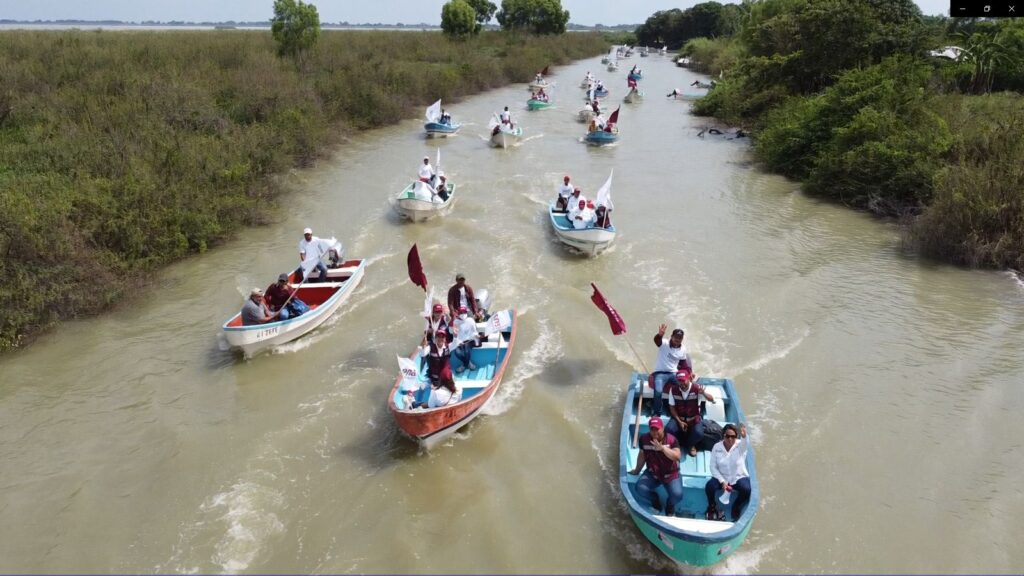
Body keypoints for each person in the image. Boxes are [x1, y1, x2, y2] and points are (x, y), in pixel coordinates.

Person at [628, 416, 684, 516]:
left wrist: (663, 449)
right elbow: (642, 456)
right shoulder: (644, 439)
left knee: (677, 495)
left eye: (657, 429)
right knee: (640, 488)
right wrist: (637, 470)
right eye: (652, 429)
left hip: (670, 474)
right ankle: (655, 501)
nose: (654, 432)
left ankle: (669, 506)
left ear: (662, 428)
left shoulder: (672, 440)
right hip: (653, 473)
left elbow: (677, 456)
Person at [704, 423, 751, 522]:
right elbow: (713, 467)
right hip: (722, 477)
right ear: (723, 436)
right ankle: (712, 506)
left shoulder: (740, 445)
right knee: (709, 486)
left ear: (736, 437)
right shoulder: (717, 447)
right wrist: (722, 481)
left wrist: (744, 436)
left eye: (733, 436)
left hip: (738, 477)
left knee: (747, 489)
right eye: (727, 436)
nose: (730, 439)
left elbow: (745, 443)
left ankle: (736, 505)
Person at [665, 370, 716, 457]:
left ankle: (690, 445)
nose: (682, 384)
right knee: (669, 429)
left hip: (693, 419)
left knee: (699, 433)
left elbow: (711, 399)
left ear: (689, 379)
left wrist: (703, 393)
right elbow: (672, 407)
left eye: (683, 381)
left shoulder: (697, 388)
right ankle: (676, 444)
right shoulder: (673, 390)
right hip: (679, 418)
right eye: (679, 381)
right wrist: (679, 421)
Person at [650, 325, 692, 416]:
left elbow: (683, 364)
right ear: (671, 336)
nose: (677, 339)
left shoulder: (683, 349)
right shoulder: (664, 343)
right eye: (676, 337)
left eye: (680, 338)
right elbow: (657, 341)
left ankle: (682, 409)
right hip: (660, 373)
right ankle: (657, 412)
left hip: (674, 373)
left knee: (684, 388)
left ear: (682, 339)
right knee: (658, 391)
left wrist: (689, 374)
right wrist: (660, 335)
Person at [417, 330, 461, 407]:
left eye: (442, 337)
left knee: (456, 388)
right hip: (433, 378)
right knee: (422, 387)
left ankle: (450, 402)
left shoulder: (448, 347)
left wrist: (455, 336)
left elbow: (455, 343)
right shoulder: (430, 347)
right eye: (438, 337)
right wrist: (423, 345)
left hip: (445, 379)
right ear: (435, 338)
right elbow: (422, 354)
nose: (440, 339)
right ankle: (418, 402)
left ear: (445, 339)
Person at [451, 305, 479, 373]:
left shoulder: (471, 320)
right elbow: (455, 335)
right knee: (457, 352)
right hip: (460, 341)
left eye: (464, 312)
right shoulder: (455, 322)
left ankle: (464, 365)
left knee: (466, 350)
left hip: (469, 340)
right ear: (458, 313)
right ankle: (468, 363)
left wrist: (475, 336)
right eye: (461, 312)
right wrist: (458, 341)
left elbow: (474, 331)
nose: (463, 314)